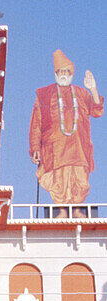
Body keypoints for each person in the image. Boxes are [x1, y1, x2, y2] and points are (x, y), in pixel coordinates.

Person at [29, 49, 103, 206]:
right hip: (55, 149)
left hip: (79, 149)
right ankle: (61, 209)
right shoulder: (44, 94)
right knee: (59, 181)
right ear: (55, 73)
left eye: (66, 71)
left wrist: (93, 89)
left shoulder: (82, 93)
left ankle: (76, 208)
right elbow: (36, 124)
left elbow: (97, 111)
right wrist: (35, 148)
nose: (63, 74)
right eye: (60, 71)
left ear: (71, 74)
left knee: (80, 181)